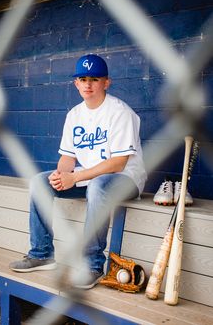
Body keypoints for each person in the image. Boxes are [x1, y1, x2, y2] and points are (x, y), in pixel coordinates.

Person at [9, 54, 147, 289]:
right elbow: (68, 157)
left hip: (125, 180)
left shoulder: (120, 112)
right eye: (82, 79)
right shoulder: (74, 115)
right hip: (88, 180)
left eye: (94, 79)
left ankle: (92, 265)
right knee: (40, 181)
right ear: (76, 83)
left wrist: (75, 177)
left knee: (99, 184)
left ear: (106, 82)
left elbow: (119, 163)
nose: (88, 84)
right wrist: (61, 175)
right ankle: (41, 254)